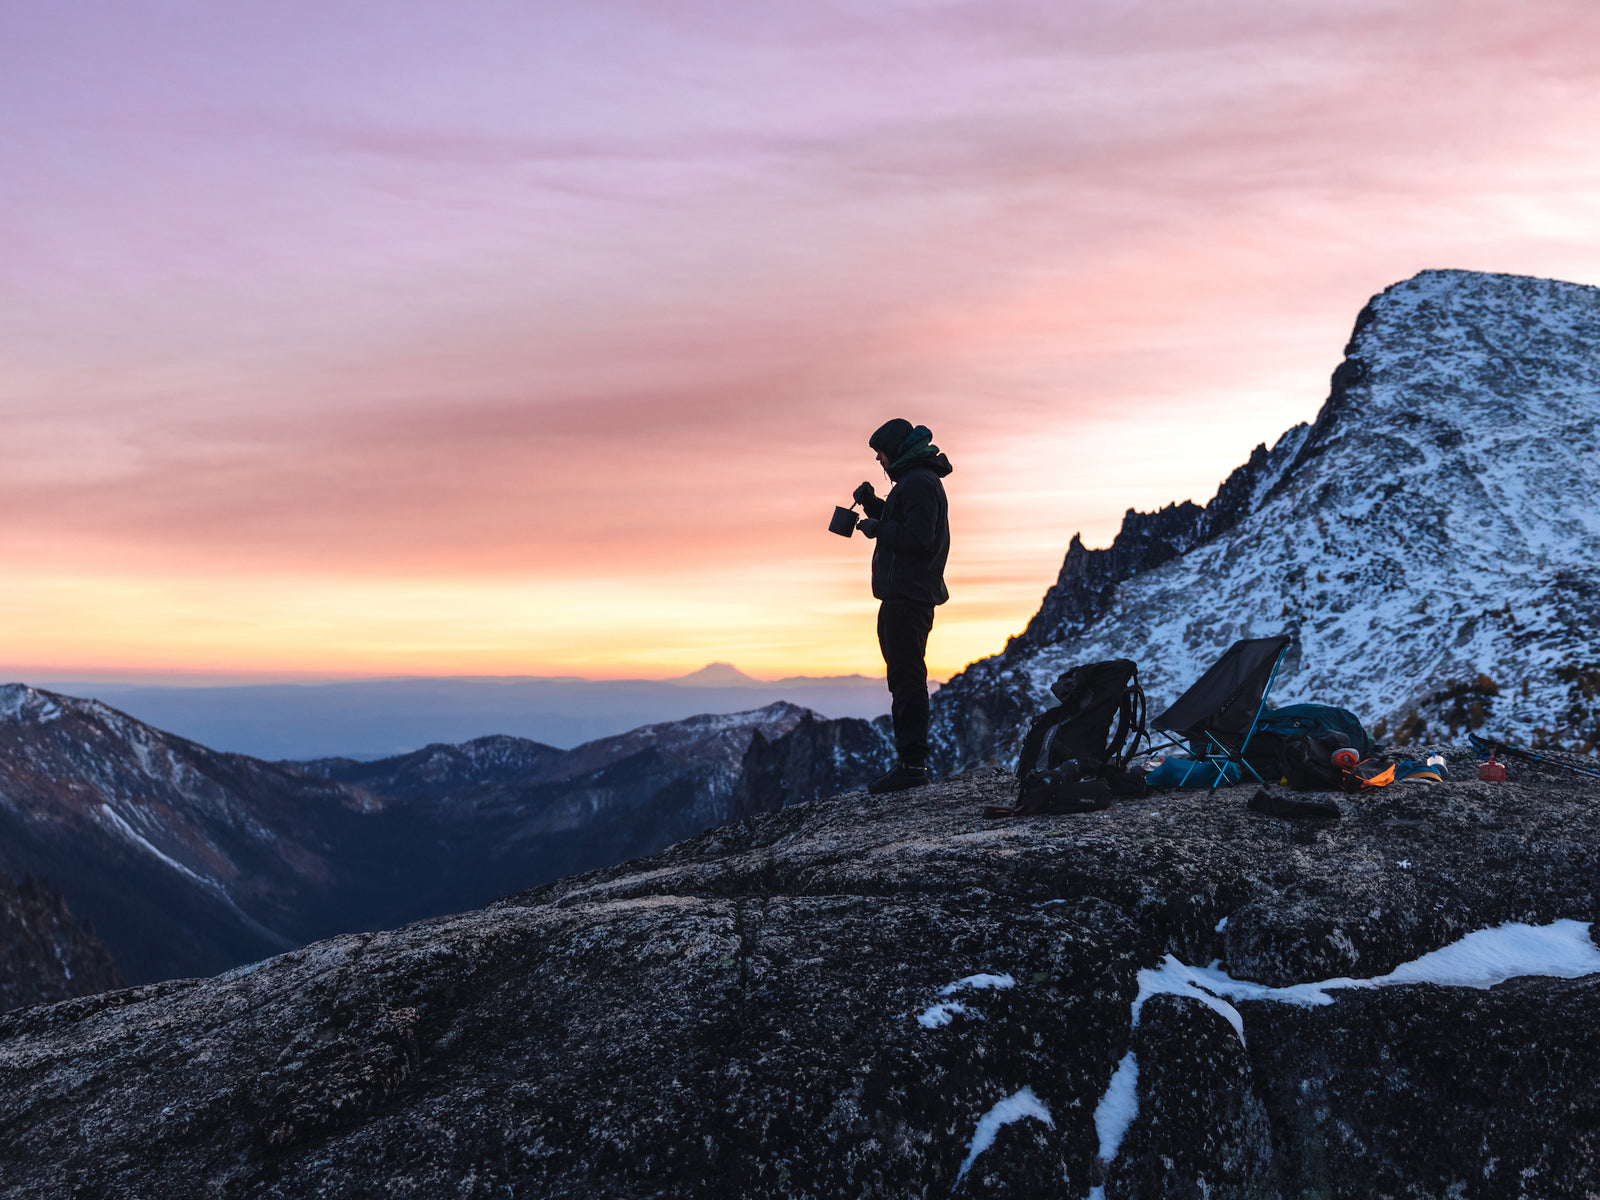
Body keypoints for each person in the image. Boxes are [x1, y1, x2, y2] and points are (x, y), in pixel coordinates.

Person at [852, 419, 953, 793]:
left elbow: (918, 538)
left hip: (909, 599)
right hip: (904, 597)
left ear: (894, 449)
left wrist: (877, 529)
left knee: (907, 680)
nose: (878, 459)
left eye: (880, 451)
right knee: (903, 677)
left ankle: (912, 765)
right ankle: (909, 763)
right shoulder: (914, 483)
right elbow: (906, 523)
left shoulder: (920, 483)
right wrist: (873, 505)